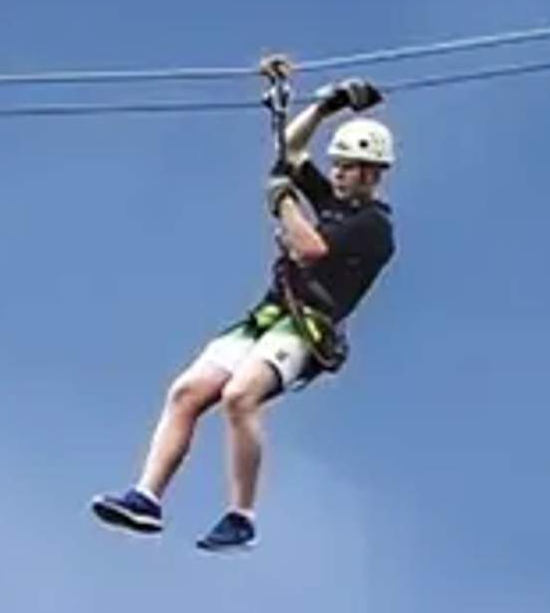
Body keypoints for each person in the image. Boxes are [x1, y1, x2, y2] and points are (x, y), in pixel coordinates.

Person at [92, 59, 398, 551]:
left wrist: (282, 200)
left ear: (371, 173)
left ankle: (242, 517)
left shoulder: (374, 227)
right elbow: (290, 151)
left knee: (240, 397)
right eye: (337, 165)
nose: (337, 174)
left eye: (347, 167)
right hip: (268, 317)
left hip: (305, 327)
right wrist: (326, 106)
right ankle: (146, 497)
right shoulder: (334, 203)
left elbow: (310, 248)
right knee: (187, 392)